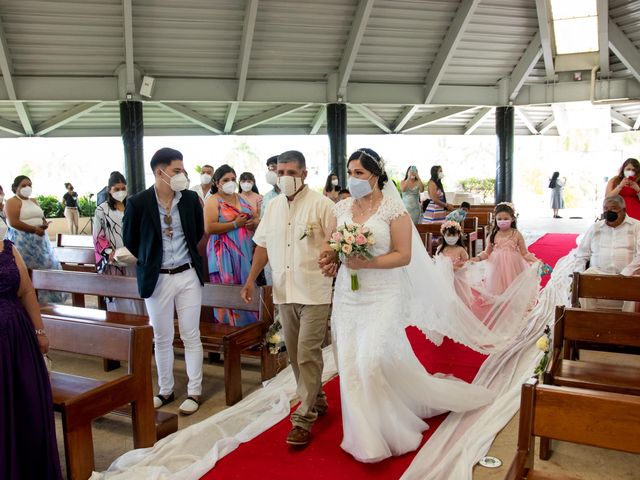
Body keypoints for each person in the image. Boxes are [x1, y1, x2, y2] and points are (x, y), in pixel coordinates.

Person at [321, 148, 494, 463]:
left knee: (369, 360)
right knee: (348, 363)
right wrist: (332, 258)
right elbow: (333, 242)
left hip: (382, 294)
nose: (353, 179)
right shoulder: (343, 207)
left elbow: (404, 255)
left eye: (359, 173)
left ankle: (391, 428)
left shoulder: (393, 211)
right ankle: (364, 436)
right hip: (348, 294)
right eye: (351, 172)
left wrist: (366, 262)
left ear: (376, 174)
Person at [241, 150, 335, 447]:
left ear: (304, 174)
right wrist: (249, 280)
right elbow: (262, 246)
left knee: (308, 353)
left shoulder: (323, 205)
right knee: (294, 355)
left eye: (292, 173)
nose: (286, 178)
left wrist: (333, 260)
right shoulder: (272, 207)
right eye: (281, 172)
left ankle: (302, 419)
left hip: (315, 291)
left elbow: (336, 247)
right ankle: (317, 399)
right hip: (284, 290)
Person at [123, 147, 205, 415]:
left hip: (187, 274)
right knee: (162, 337)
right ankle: (166, 390)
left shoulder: (190, 199)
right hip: (157, 278)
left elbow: (198, 230)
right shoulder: (138, 202)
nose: (182, 175)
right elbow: (130, 239)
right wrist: (149, 258)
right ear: (160, 172)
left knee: (191, 334)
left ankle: (194, 391)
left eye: (182, 170)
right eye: (176, 171)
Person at [0, 239, 63, 479]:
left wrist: (39, 331)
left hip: (17, 338)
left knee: (27, 404)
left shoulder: (8, 247)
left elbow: (26, 291)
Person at [205, 165, 258, 326]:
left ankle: (249, 331)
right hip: (222, 251)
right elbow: (209, 227)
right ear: (216, 182)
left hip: (244, 250)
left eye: (233, 179)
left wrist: (252, 223)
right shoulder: (213, 201)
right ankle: (227, 330)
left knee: (246, 284)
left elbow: (256, 218)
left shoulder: (242, 198)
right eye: (225, 180)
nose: (230, 183)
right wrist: (235, 224)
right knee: (227, 288)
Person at [4, 176, 66, 303]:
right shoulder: (12, 201)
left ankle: (50, 300)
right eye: (24, 185)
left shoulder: (34, 200)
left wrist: (43, 224)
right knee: (28, 271)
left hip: (41, 242)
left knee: (47, 268)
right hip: (24, 243)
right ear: (16, 187)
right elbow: (13, 222)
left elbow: (41, 216)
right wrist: (34, 229)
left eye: (30, 185)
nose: (28, 188)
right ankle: (31, 301)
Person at [573, 195, 640, 310]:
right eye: (605, 209)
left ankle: (627, 322)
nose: (608, 212)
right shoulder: (595, 228)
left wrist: (625, 274)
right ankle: (587, 318)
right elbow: (581, 255)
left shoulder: (636, 226)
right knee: (586, 278)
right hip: (598, 274)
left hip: (627, 275)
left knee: (635, 281)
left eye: (613, 209)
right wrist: (577, 277)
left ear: (624, 210)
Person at [93, 172, 145, 315]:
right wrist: (109, 253)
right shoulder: (102, 210)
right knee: (120, 300)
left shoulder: (133, 206)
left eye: (123, 188)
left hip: (135, 259)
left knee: (138, 297)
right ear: (109, 190)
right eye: (116, 189)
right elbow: (98, 236)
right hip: (115, 261)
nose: (120, 192)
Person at [471, 202, 537, 296]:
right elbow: (487, 253)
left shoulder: (516, 234)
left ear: (512, 219)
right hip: (496, 266)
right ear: (496, 220)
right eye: (499, 219)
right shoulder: (493, 235)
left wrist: (536, 261)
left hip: (513, 265)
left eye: (506, 219)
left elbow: (525, 253)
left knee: (512, 289)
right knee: (497, 289)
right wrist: (477, 258)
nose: (502, 221)